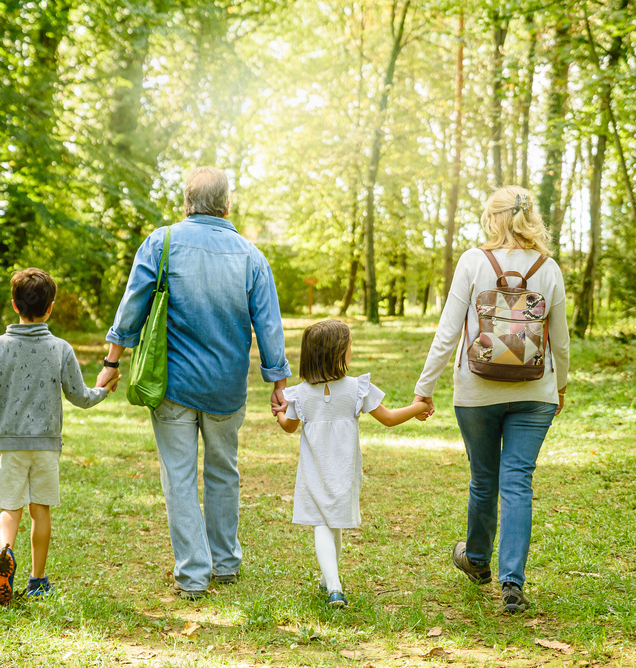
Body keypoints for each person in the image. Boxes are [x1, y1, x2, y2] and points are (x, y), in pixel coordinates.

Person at [97, 167, 290, 600]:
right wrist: (277, 380)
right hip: (226, 389)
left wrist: (112, 361)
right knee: (224, 472)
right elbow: (269, 325)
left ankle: (193, 575)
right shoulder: (250, 255)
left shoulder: (160, 242)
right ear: (226, 206)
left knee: (179, 478)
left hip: (173, 387)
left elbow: (132, 306)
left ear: (186, 203)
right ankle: (224, 563)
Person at [412, 186, 570, 613]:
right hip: (535, 390)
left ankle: (478, 559)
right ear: (529, 218)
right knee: (517, 481)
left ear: (493, 218)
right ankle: (512, 582)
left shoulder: (472, 261)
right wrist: (560, 385)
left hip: (477, 390)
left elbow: (447, 333)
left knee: (484, 479)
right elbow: (562, 339)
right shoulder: (548, 267)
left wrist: (424, 388)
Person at [0, 267, 119, 605]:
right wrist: (102, 390)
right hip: (47, 446)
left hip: (9, 444)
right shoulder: (60, 349)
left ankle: (5, 552)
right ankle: (37, 580)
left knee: (9, 509)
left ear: (14, 305)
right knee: (41, 512)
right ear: (50, 308)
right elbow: (79, 396)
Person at [271, 320, 430, 608]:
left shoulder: (301, 393)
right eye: (349, 347)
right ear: (338, 354)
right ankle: (332, 584)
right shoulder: (357, 388)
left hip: (314, 469)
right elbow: (390, 418)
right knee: (333, 522)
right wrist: (419, 407)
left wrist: (279, 414)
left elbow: (289, 427)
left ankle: (330, 583)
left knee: (323, 522)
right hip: (344, 468)